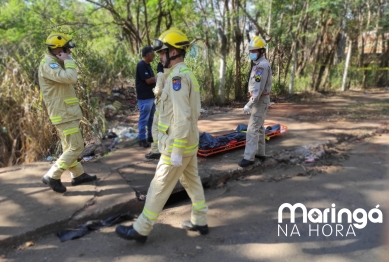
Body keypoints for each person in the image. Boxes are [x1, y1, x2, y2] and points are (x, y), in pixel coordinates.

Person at [116, 28, 208, 243]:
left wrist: (176, 150)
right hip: (188, 141)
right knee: (192, 181)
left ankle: (142, 228)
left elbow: (183, 117)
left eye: (162, 53)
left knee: (158, 185)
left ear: (174, 52)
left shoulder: (177, 78)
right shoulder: (185, 74)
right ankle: (200, 219)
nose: (159, 57)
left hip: (177, 144)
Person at [39, 32, 96, 193]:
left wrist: (65, 61)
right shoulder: (49, 64)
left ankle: (78, 175)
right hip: (63, 114)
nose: (69, 53)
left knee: (69, 147)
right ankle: (52, 175)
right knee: (76, 147)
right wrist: (68, 61)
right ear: (58, 50)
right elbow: (71, 78)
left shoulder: (54, 63)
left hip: (66, 113)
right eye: (67, 50)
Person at [238, 35, 272, 168]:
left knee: (252, 129)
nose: (251, 53)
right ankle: (260, 153)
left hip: (259, 100)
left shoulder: (261, 67)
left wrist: (249, 104)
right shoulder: (260, 64)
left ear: (261, 51)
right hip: (261, 99)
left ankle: (249, 158)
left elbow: (257, 89)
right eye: (250, 51)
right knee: (260, 127)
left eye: (254, 51)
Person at [136, 46, 157, 148]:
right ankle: (141, 138)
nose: (154, 56)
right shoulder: (141, 65)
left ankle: (150, 136)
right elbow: (148, 80)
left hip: (151, 96)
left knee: (151, 118)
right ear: (148, 55)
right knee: (144, 118)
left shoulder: (148, 65)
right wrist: (159, 77)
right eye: (153, 54)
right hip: (145, 98)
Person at [145, 62, 165, 159]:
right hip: (166, 106)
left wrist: (154, 90)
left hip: (160, 105)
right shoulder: (171, 74)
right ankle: (161, 148)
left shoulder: (160, 75)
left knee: (155, 128)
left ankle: (156, 150)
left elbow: (158, 91)